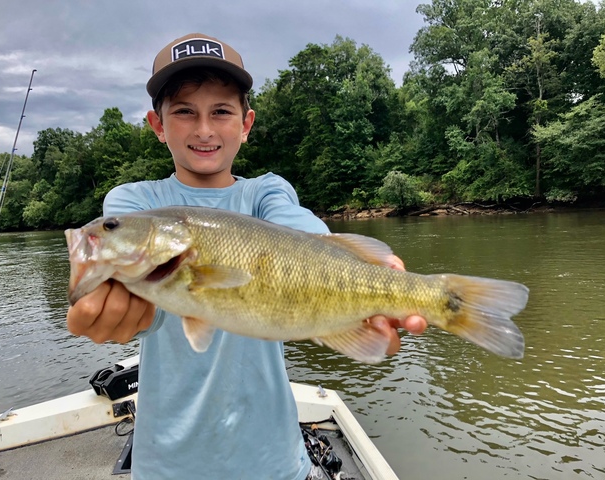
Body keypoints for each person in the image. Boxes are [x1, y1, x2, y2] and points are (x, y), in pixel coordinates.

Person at [66, 32, 427, 480]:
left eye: (221, 111)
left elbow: (303, 232)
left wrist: (369, 280)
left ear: (246, 124)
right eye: (183, 112)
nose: (204, 129)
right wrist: (125, 311)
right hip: (168, 464)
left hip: (272, 460)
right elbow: (152, 311)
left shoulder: (266, 191)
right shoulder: (134, 203)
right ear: (157, 126)